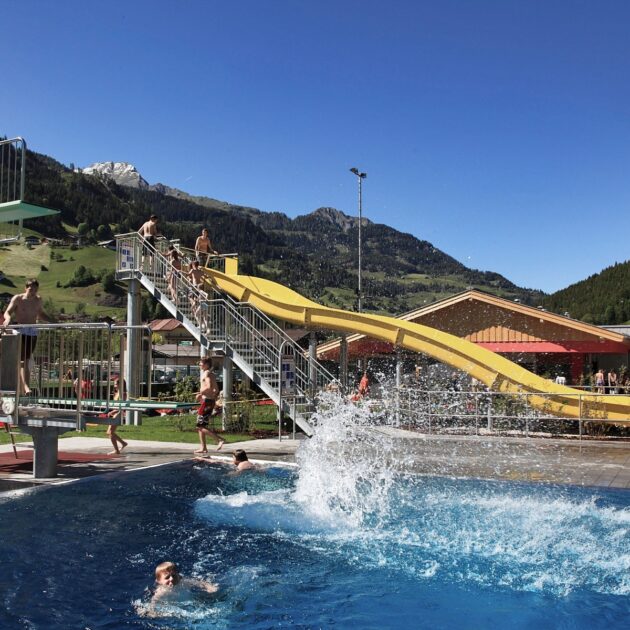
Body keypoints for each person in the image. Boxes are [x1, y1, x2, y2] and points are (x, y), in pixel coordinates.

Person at [2, 279, 52, 395]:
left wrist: (53, 321)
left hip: (32, 331)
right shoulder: (18, 299)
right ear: (26, 288)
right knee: (23, 359)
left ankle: (25, 389)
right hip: (21, 330)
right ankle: (25, 387)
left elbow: (41, 314)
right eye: (30, 289)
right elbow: (7, 312)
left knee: (27, 359)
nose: (32, 291)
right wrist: (8, 319)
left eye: (35, 289)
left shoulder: (38, 300)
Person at [146, 561, 218, 616]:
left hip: (192, 603)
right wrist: (152, 611)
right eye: (167, 577)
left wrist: (210, 588)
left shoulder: (184, 582)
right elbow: (154, 602)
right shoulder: (162, 592)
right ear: (159, 581)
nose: (171, 579)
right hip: (176, 608)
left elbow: (200, 583)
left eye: (174, 575)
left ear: (179, 576)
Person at [194, 357, 225, 454]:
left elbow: (209, 387)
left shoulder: (207, 373)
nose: (199, 365)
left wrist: (200, 392)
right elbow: (216, 390)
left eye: (201, 363)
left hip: (207, 401)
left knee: (200, 425)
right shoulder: (212, 374)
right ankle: (203, 448)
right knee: (201, 425)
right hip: (209, 401)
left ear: (207, 364)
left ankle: (219, 439)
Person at [106, 380, 127, 455]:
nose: (114, 385)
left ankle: (117, 450)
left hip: (118, 413)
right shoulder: (117, 393)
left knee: (110, 432)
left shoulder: (122, 394)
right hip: (115, 413)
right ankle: (123, 443)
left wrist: (112, 412)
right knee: (109, 432)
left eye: (115, 384)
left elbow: (121, 406)